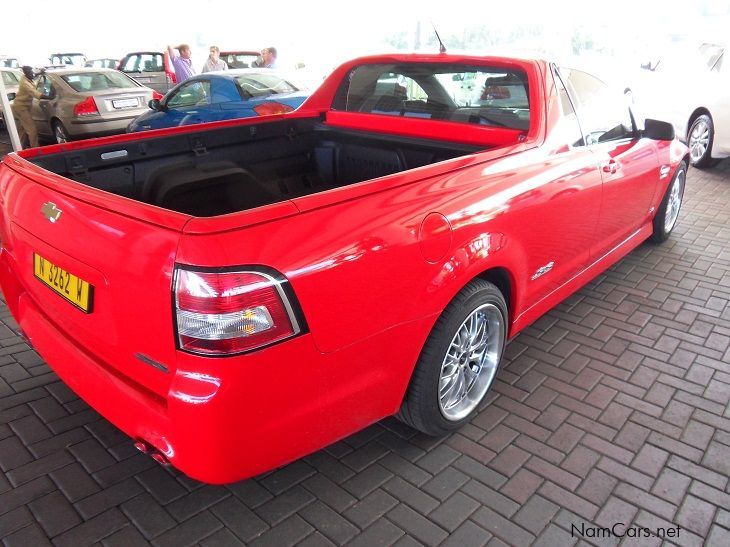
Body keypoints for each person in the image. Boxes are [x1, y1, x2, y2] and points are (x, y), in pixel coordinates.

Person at [11, 66, 43, 149]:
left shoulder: (27, 77)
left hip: (22, 107)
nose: (32, 73)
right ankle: (35, 149)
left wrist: (39, 73)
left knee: (23, 130)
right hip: (21, 108)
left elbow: (33, 76)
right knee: (32, 130)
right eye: (30, 72)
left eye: (32, 71)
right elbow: (34, 93)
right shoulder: (25, 83)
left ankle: (20, 149)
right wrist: (49, 96)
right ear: (25, 73)